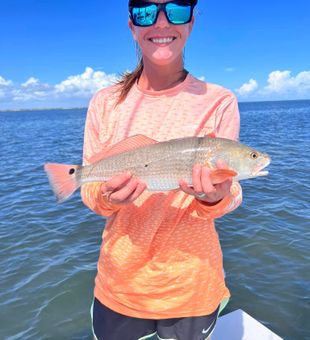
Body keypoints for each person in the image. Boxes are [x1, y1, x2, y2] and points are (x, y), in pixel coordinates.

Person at [81, 1, 242, 339]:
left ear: (193, 22)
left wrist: (215, 197)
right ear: (131, 25)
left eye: (177, 10)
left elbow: (231, 192)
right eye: (145, 12)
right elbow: (90, 193)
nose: (162, 22)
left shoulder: (220, 101)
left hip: (192, 287)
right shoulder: (104, 102)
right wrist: (109, 196)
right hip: (119, 286)